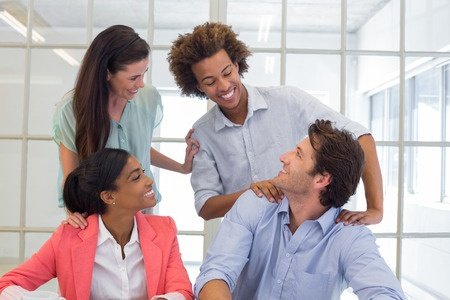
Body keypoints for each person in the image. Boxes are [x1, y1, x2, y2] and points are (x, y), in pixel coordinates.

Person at [167, 22, 383, 225]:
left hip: (303, 233)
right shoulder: (203, 133)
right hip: (248, 248)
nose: (223, 86)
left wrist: (375, 209)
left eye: (227, 72)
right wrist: (252, 192)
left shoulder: (287, 100)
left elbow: (360, 136)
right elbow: (205, 207)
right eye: (210, 82)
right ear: (197, 86)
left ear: (236, 64)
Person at [194, 120, 405, 300]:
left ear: (322, 179)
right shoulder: (255, 203)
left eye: (298, 154)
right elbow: (216, 272)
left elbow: (385, 293)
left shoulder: (350, 236)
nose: (284, 157)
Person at [53, 25, 199, 227]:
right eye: (133, 77)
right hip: (98, 216)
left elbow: (138, 150)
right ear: (106, 73)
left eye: (143, 74)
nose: (140, 84)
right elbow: (71, 175)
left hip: (143, 210)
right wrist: (74, 214)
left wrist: (182, 168)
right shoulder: (72, 111)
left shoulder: (149, 98)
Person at [0, 148, 194, 300]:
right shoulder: (69, 237)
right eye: (136, 177)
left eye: (142, 172)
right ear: (109, 196)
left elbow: (182, 291)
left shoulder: (164, 230)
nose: (149, 180)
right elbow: (7, 286)